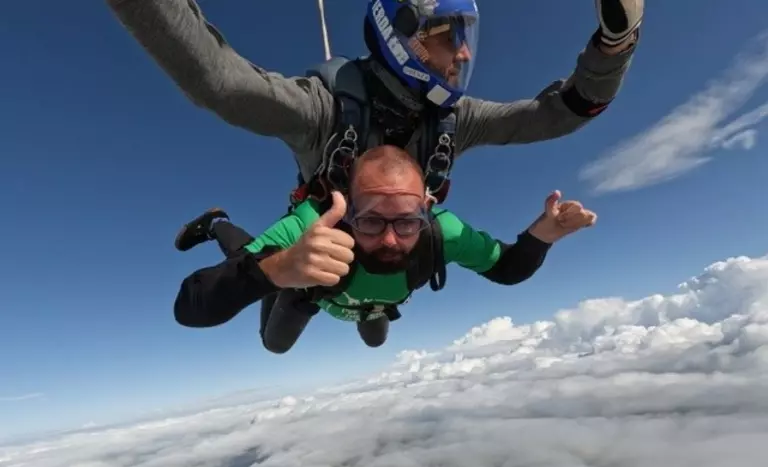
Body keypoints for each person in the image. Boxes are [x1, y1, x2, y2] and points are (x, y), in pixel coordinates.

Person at [106, 0, 644, 205]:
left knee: (383, 308)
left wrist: (614, 46)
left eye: (466, 37)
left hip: (398, 248)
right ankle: (232, 238)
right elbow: (219, 83)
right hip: (321, 248)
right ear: (401, 38)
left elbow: (560, 115)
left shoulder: (457, 119)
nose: (461, 53)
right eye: (445, 36)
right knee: (282, 329)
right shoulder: (323, 109)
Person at [172, 145, 597, 352]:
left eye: (407, 221)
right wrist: (280, 270)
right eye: (372, 220)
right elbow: (191, 306)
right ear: (348, 207)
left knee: (374, 339)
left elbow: (507, 268)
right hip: (309, 288)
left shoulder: (440, 232)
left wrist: (544, 234)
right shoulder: (314, 226)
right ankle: (218, 224)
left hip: (371, 304)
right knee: (274, 343)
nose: (392, 238)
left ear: (427, 209)